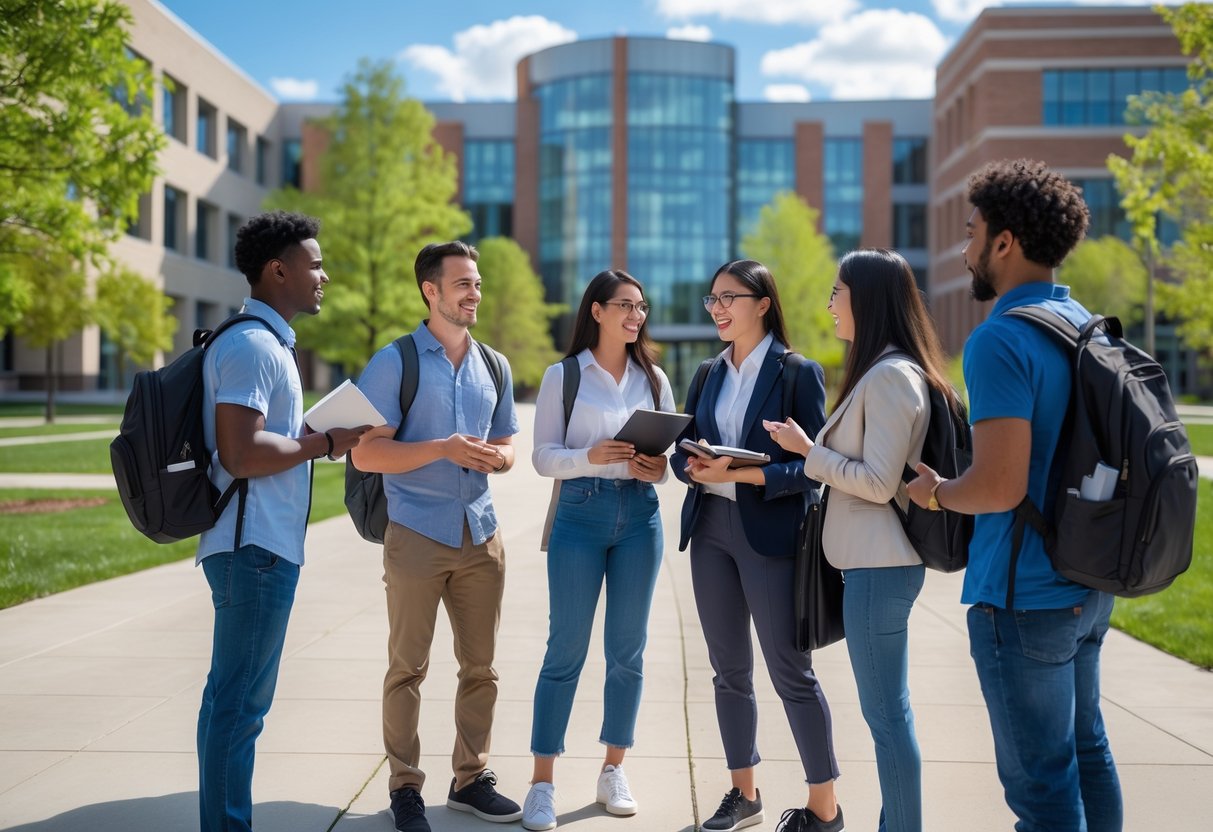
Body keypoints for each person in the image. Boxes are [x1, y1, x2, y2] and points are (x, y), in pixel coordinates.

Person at [907, 159, 1122, 832]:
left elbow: (997, 486)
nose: (963, 247)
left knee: (1040, 785)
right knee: (1086, 749)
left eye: (971, 231)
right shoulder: (1084, 324)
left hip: (1022, 596)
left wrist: (938, 493)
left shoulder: (1000, 338)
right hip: (1086, 581)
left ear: (1003, 243)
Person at [767, 248, 963, 832]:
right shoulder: (882, 371)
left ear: (867, 300)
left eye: (837, 293)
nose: (829, 305)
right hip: (872, 565)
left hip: (882, 567)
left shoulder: (891, 377)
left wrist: (809, 455)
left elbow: (880, 484)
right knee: (887, 714)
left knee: (886, 715)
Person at [196, 210, 375, 832]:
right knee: (239, 706)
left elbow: (262, 441)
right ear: (278, 271)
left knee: (232, 699)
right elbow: (241, 453)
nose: (323, 275)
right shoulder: (252, 347)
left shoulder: (267, 345)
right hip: (254, 550)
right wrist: (322, 444)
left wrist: (316, 435)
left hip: (258, 547)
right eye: (315, 264)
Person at [351, 241, 523, 832]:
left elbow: (507, 446)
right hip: (416, 535)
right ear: (431, 290)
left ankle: (470, 779)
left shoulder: (493, 363)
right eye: (463, 284)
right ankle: (405, 788)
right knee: (408, 669)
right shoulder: (395, 361)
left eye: (477, 283)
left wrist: (494, 462)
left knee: (482, 668)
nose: (474, 293)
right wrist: (444, 449)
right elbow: (367, 452)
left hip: (482, 536)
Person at [671, 260, 841, 832]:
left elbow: (812, 469)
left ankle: (825, 807)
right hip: (711, 532)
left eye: (729, 297)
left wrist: (746, 475)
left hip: (768, 535)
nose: (717, 308)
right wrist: (693, 466)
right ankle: (744, 792)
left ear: (763, 302)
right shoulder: (706, 372)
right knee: (728, 671)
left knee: (791, 671)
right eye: (711, 299)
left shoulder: (797, 373)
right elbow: (680, 451)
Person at [521, 270, 676, 831]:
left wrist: (656, 467)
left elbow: (667, 468)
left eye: (642, 307)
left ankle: (614, 768)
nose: (636, 316)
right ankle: (542, 782)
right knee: (565, 649)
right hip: (579, 515)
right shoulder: (564, 377)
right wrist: (589, 456)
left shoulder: (655, 379)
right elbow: (542, 457)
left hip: (639, 516)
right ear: (598, 311)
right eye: (625, 306)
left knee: (627, 651)